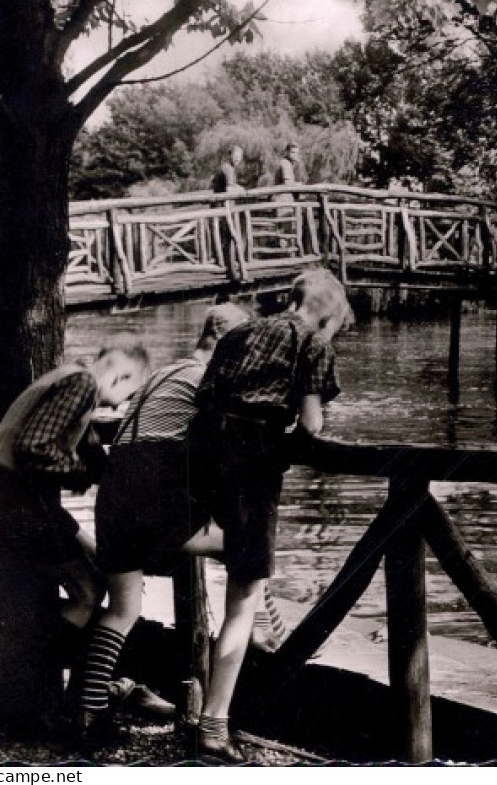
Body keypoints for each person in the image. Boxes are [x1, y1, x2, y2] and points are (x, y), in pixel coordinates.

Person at [185, 269, 351, 763]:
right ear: (327, 313)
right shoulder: (311, 342)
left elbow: (204, 394)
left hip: (202, 451)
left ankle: (261, 629)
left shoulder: (238, 330)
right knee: (245, 590)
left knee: (227, 557)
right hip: (250, 462)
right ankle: (214, 724)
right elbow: (312, 424)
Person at [73, 305, 253, 747]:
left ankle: (86, 711)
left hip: (116, 490)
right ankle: (259, 639)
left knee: (123, 610)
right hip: (152, 497)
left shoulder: (165, 373)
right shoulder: (212, 379)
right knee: (247, 549)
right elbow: (226, 438)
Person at [0, 338, 149, 709]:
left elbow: (88, 451)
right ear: (121, 376)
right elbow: (33, 447)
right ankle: (44, 688)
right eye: (126, 394)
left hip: (14, 496)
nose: (119, 405)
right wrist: (81, 473)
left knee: (99, 563)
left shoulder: (71, 375)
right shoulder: (82, 385)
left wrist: (111, 473)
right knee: (89, 591)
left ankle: (61, 685)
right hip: (16, 500)